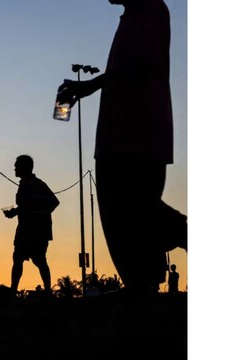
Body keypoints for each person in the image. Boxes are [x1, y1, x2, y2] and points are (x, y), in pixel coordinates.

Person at [56, 0, 187, 294]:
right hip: (117, 135)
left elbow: (140, 66)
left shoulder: (151, 10)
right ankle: (142, 283)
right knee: (123, 216)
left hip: (139, 133)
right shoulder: (132, 16)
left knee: (136, 209)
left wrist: (89, 85)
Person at [3, 155, 59, 296]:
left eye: (17, 165)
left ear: (25, 167)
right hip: (25, 229)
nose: (14, 168)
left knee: (38, 260)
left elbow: (53, 202)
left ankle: (45, 292)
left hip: (35, 231)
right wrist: (15, 211)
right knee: (19, 259)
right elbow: (24, 206)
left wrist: (33, 207)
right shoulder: (25, 184)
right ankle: (14, 291)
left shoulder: (37, 184)